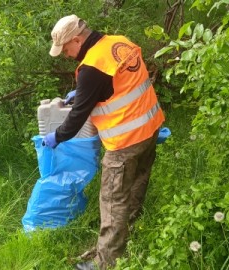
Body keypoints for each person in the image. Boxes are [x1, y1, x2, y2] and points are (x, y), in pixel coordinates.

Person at [43, 14, 165, 270]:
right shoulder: (118, 42)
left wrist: (58, 136)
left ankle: (106, 262)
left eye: (66, 49)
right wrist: (87, 91)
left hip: (124, 142)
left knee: (112, 201)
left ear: (77, 40)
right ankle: (129, 231)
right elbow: (121, 82)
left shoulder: (91, 68)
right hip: (150, 127)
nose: (66, 55)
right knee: (138, 182)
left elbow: (78, 116)